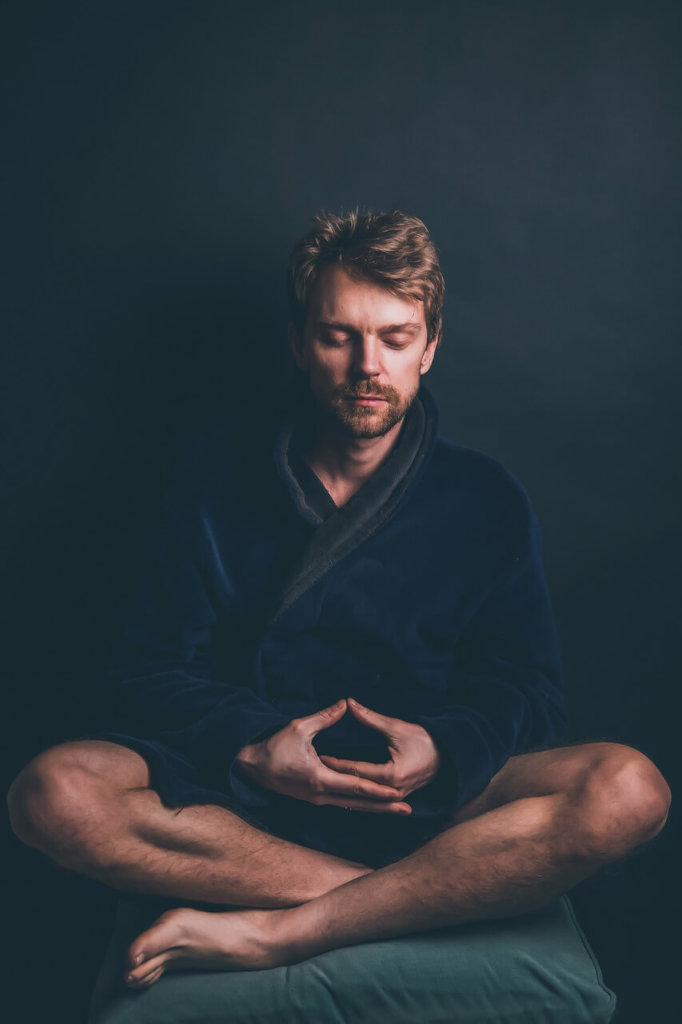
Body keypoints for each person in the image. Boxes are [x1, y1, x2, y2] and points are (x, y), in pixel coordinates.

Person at [8, 210, 670, 989]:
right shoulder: (210, 478)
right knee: (51, 793)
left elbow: (527, 691)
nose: (368, 366)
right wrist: (256, 745)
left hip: (420, 802)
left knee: (630, 790)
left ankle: (290, 929)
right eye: (339, 336)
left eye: (394, 337)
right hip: (247, 799)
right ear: (299, 343)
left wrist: (443, 751)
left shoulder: (487, 499)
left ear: (430, 346)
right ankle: (418, 900)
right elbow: (148, 670)